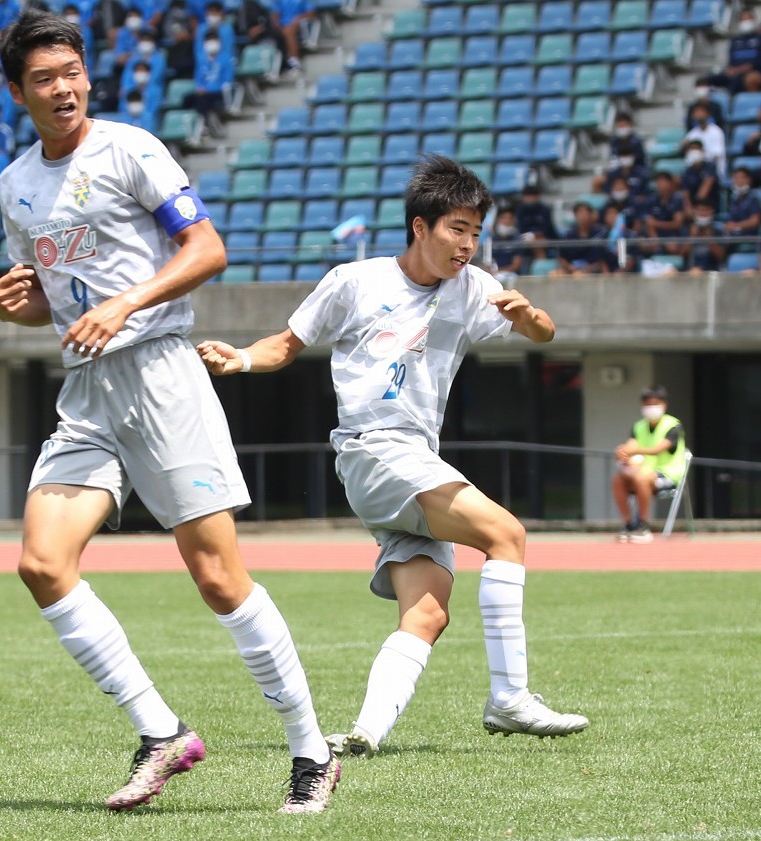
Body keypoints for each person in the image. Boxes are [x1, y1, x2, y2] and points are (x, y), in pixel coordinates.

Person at [0, 9, 340, 814]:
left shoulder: (132, 148)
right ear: (18, 92)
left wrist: (126, 304)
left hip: (159, 375)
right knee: (42, 564)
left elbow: (207, 250)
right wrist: (16, 303)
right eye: (43, 78)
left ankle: (311, 751)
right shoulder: (14, 184)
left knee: (218, 577)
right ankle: (160, 733)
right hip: (85, 390)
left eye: (70, 72)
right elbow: (42, 300)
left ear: (87, 76)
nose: (62, 88)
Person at [196, 155, 589, 758]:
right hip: (373, 451)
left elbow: (546, 334)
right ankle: (510, 698)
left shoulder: (478, 288)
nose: (468, 245)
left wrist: (527, 316)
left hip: (413, 461)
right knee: (506, 534)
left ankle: (362, 735)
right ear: (420, 227)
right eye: (457, 229)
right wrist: (239, 361)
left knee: (428, 612)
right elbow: (284, 344)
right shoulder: (354, 282)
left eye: (477, 233)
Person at [612, 387, 687, 543]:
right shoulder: (638, 426)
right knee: (618, 480)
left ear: (664, 405)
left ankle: (642, 525)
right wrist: (623, 453)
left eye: (655, 404)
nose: (650, 408)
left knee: (641, 478)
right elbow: (630, 447)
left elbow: (657, 449)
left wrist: (635, 450)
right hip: (643, 472)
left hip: (669, 476)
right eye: (647, 404)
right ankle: (628, 524)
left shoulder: (673, 426)